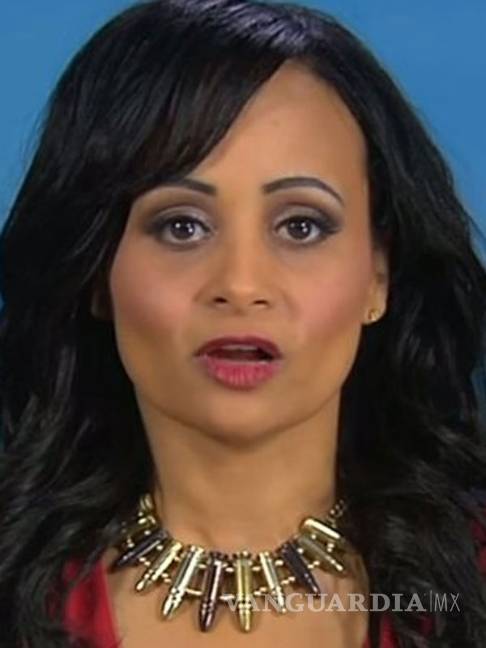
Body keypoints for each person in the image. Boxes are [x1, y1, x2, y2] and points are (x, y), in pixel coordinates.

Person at [0, 0, 485, 646]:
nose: (241, 284)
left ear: (378, 276)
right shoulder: (15, 587)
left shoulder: (469, 585)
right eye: (181, 226)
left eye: (301, 225)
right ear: (96, 274)